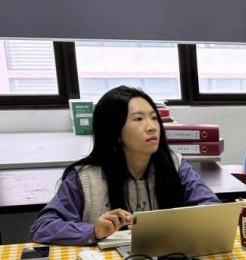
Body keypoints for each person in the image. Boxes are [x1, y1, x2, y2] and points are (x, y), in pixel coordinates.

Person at [30, 86, 219, 245]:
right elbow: (43, 227)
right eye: (138, 119)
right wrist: (93, 231)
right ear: (115, 131)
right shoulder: (85, 178)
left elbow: (212, 208)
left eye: (154, 118)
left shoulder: (174, 164)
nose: (152, 127)